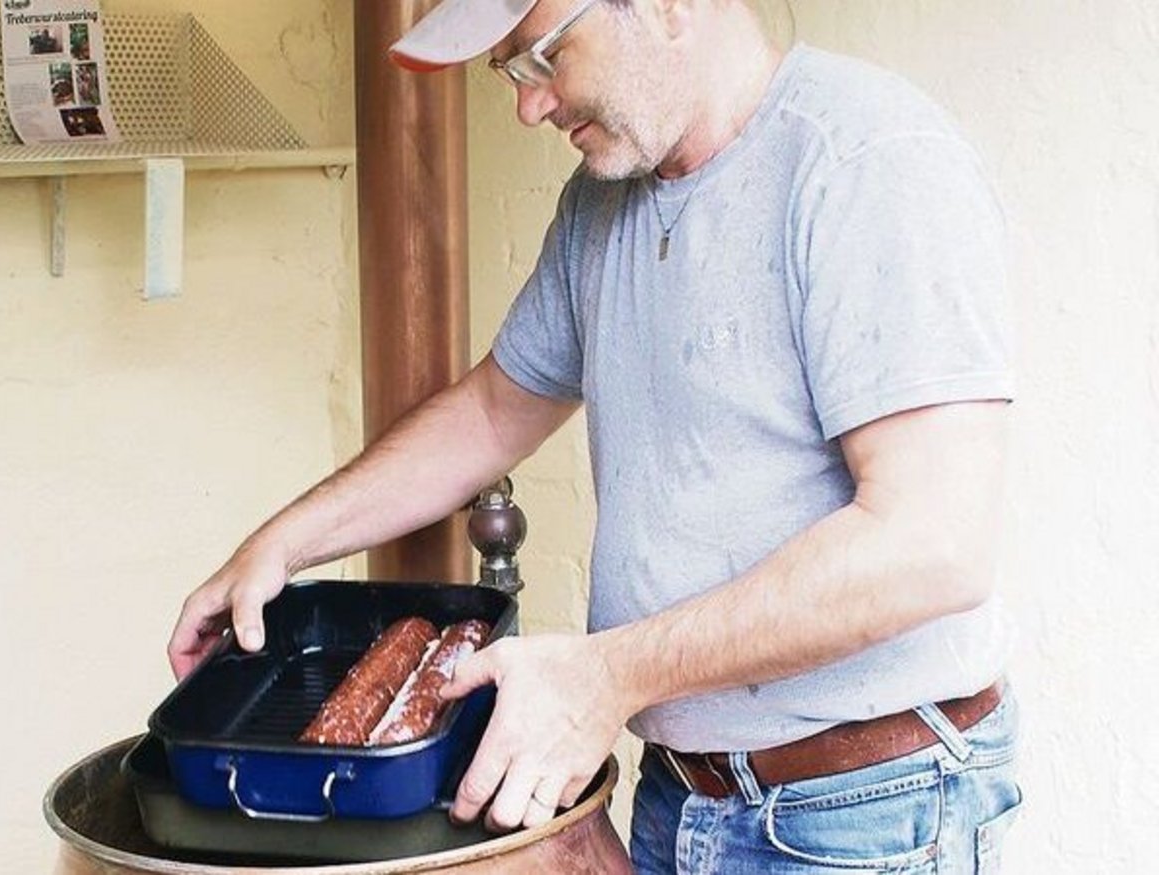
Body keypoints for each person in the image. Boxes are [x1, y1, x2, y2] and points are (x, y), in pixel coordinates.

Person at [169, 0, 1022, 870]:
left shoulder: (866, 162)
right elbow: (495, 410)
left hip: (862, 810)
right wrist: (282, 544)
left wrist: (607, 675)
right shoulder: (601, 206)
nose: (528, 106)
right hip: (679, 792)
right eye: (511, 72)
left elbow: (931, 543)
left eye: (542, 57)